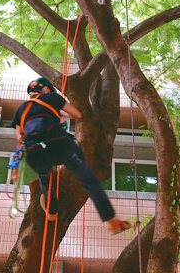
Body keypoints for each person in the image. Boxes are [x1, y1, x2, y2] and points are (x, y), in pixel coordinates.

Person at [10, 77, 131, 234]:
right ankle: (111, 221)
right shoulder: (52, 97)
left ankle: (52, 211)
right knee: (89, 181)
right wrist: (58, 113)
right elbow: (77, 114)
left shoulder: (21, 109)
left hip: (35, 151)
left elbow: (19, 137)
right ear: (47, 89)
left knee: (46, 180)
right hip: (59, 144)